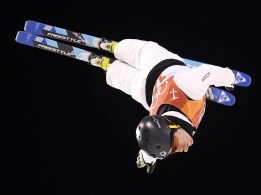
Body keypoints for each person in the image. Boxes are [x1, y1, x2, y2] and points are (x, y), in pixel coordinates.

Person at [90, 38, 236, 174]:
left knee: (141, 53)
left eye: (174, 144)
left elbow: (209, 72)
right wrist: (148, 158)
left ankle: (113, 50)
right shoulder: (160, 132)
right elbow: (152, 143)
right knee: (126, 78)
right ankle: (108, 62)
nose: (180, 149)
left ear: (171, 127)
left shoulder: (189, 87)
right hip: (150, 94)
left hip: (160, 65)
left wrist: (229, 77)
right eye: (171, 150)